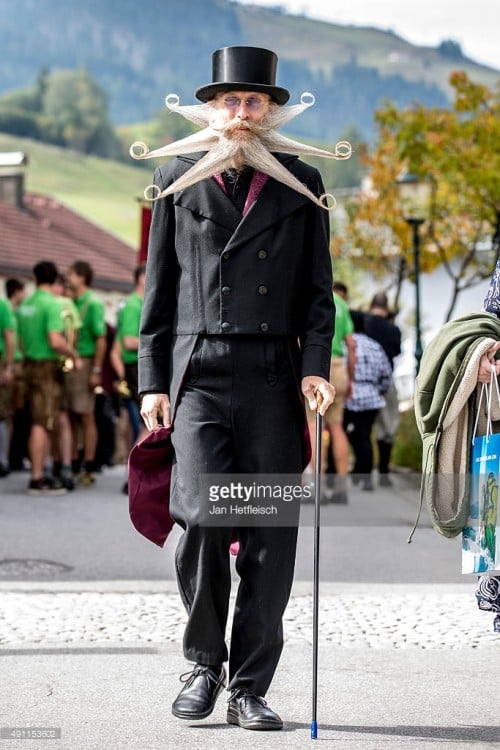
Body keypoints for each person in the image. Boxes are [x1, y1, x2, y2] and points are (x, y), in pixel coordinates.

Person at [137, 46, 336, 731]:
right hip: (199, 375)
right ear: (211, 109)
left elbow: (318, 296)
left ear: (271, 112)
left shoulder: (302, 185)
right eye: (230, 101)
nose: (241, 113)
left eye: (254, 102)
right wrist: (151, 381)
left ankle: (250, 685)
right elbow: (157, 294)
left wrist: (316, 367)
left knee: (268, 535)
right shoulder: (174, 181)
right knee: (202, 521)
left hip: (275, 380)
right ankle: (203, 664)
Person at [17, 261, 82, 495]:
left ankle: (39, 472)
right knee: (43, 423)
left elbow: (19, 339)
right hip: (46, 367)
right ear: (54, 279)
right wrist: (73, 353)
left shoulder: (26, 304)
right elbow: (55, 341)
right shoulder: (51, 304)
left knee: (36, 419)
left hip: (29, 364)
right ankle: (38, 477)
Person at [66, 261, 106, 486]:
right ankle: (72, 462)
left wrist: (96, 370)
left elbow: (101, 339)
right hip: (72, 364)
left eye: (71, 274)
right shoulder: (71, 301)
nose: (67, 277)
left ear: (81, 277)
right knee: (71, 415)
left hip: (86, 363)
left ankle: (89, 465)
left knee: (86, 414)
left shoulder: (92, 303)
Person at [344, 310, 392, 491]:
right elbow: (386, 374)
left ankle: (339, 474)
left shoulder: (345, 344)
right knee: (364, 436)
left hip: (349, 396)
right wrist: (380, 391)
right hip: (371, 398)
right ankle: (366, 479)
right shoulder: (375, 346)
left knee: (342, 434)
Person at [364, 292, 402, 486]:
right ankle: (384, 472)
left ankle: (363, 476)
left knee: (364, 429)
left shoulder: (363, 322)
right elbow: (396, 351)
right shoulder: (393, 329)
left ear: (371, 305)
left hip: (363, 381)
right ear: (387, 309)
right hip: (386, 381)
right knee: (387, 427)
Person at [5, 278, 28, 471]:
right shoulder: (7, 308)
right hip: (13, 365)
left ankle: (14, 456)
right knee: (9, 412)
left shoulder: (17, 311)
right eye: (23, 290)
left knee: (15, 412)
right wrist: (10, 366)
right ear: (16, 291)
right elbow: (11, 338)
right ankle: (9, 458)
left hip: (19, 363)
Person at [0, 290, 15, 477]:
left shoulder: (3, 304)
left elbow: (9, 335)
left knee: (2, 413)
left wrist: (9, 366)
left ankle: (2, 460)